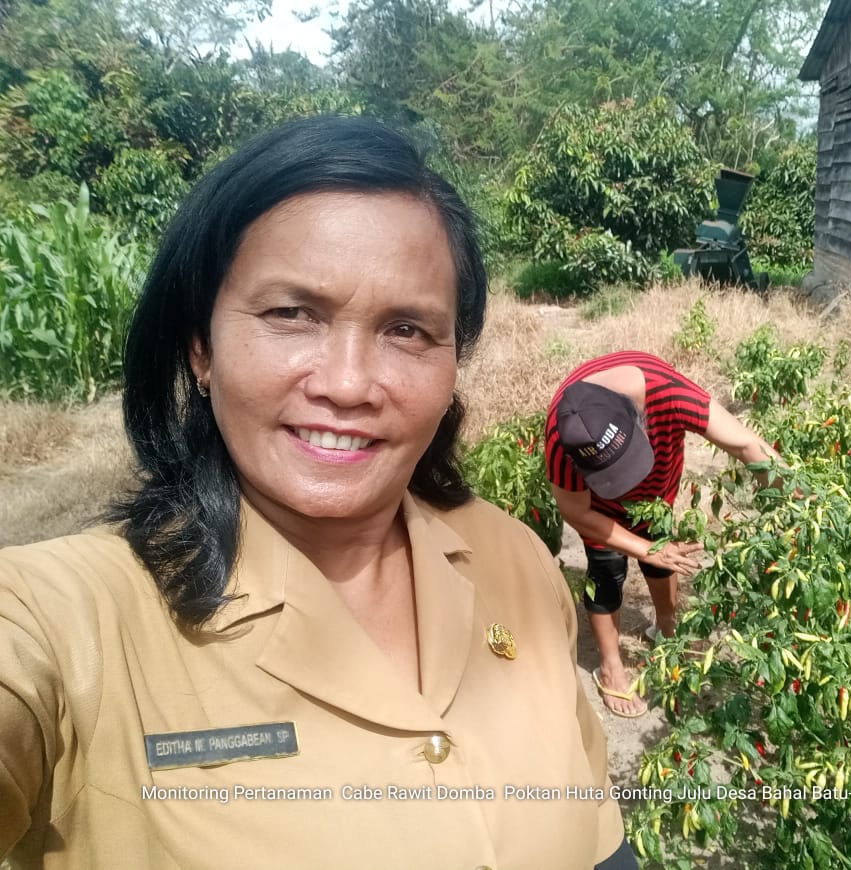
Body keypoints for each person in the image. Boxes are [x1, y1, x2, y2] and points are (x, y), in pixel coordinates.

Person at [0, 116, 634, 869]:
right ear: (201, 345)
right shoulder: (62, 623)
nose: (346, 384)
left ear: (452, 364)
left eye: (406, 330)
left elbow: (594, 827)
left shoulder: (515, 561)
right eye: (291, 315)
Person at [544, 351, 784, 718]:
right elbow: (575, 511)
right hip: (600, 510)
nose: (628, 482)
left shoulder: (667, 391)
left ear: (637, 418)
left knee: (663, 558)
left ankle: (667, 630)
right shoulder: (564, 440)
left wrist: (798, 501)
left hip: (659, 492)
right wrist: (641, 548)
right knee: (606, 572)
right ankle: (611, 667)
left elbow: (747, 446)